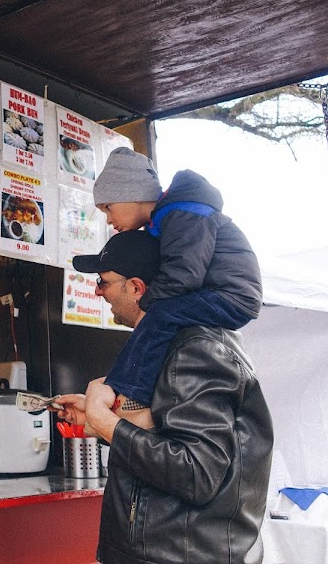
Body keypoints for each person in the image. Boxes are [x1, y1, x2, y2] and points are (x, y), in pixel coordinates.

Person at [58, 230, 273, 564]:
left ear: (136, 287)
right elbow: (168, 430)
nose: (98, 292)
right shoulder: (168, 345)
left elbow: (196, 473)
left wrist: (108, 422)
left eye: (103, 282)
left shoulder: (197, 349)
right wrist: (98, 419)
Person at [79, 146, 262, 428]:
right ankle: (123, 391)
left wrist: (148, 303)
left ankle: (132, 397)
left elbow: (184, 274)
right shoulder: (170, 218)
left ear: (131, 194)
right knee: (160, 318)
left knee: (159, 317)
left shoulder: (182, 214)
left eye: (108, 207)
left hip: (231, 296)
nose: (108, 219)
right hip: (220, 293)